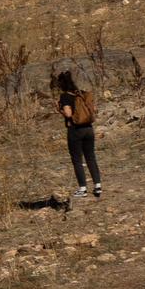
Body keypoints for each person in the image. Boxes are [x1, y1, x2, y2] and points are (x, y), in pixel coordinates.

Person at [57, 70, 102, 201]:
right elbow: (93, 109)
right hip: (89, 129)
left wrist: (59, 110)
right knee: (91, 157)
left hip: (75, 130)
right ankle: (97, 185)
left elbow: (68, 114)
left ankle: (82, 188)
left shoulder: (65, 96)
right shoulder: (82, 93)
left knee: (77, 160)